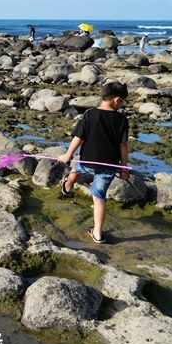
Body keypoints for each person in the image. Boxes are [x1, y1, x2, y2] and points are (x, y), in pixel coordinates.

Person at [57, 81, 130, 244]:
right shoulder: (121, 119)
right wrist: (124, 167)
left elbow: (79, 138)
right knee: (99, 198)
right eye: (123, 101)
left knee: (77, 169)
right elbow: (123, 145)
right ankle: (97, 234)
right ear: (117, 100)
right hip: (109, 165)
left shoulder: (90, 114)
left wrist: (68, 154)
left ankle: (68, 186)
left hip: (88, 160)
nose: (122, 104)